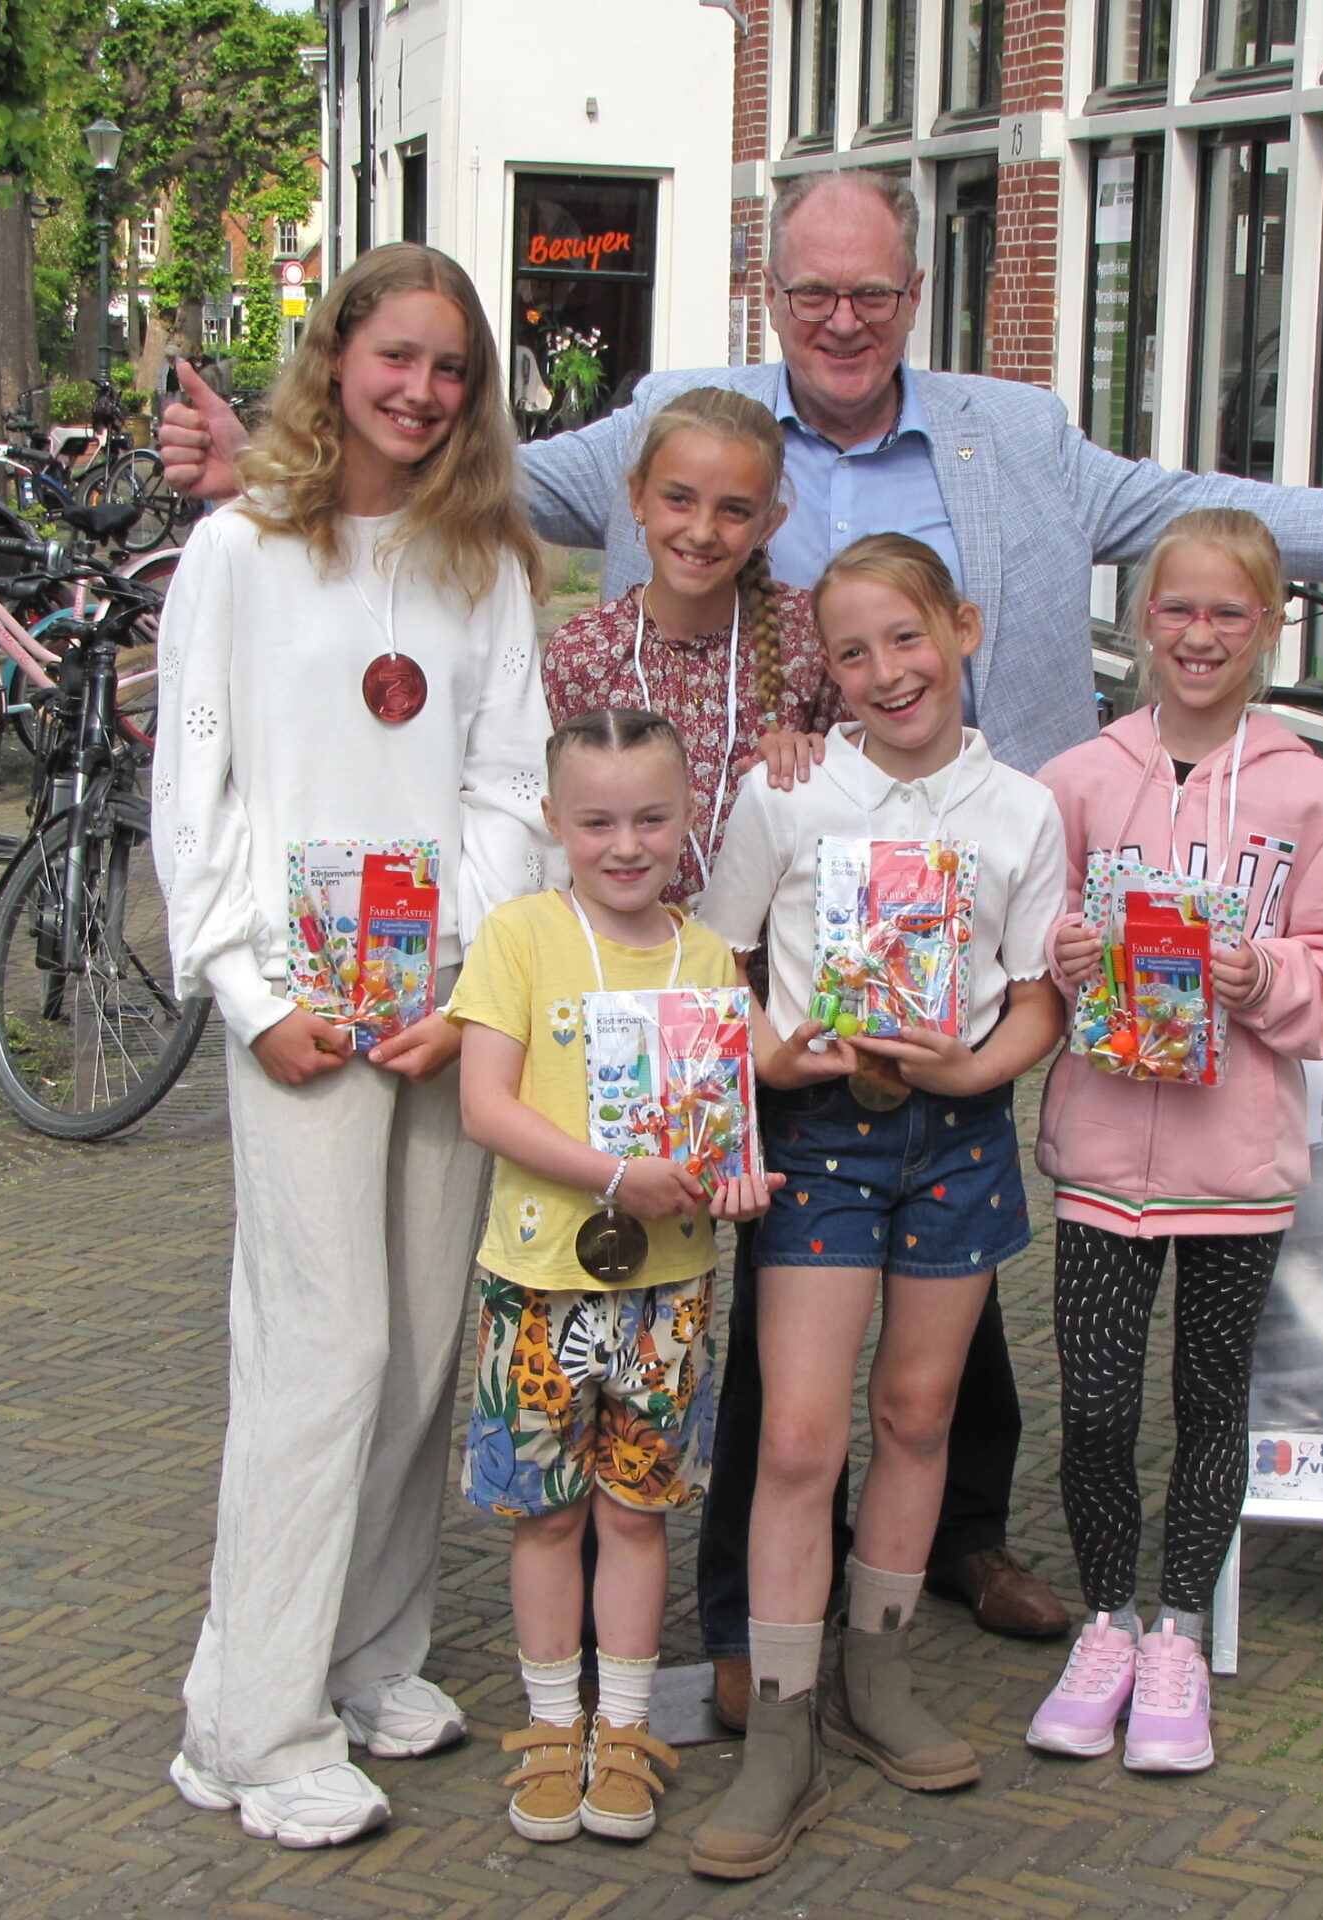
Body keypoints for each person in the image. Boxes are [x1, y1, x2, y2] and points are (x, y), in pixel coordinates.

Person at [159, 165, 1323, 1657]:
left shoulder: (1018, 432)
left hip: (982, 904)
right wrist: (263, 464)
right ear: (772, 300)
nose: (844, 319)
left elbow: (1197, 510)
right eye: (813, 294)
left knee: (954, 1282)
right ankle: (744, 1618)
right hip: (731, 956)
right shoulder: (688, 419)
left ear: (913, 299)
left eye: (872, 293)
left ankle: (960, 1545)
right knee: (764, 1267)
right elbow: (492, 467)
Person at [150, 242, 552, 1849]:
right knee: (322, 1355)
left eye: (451, 367)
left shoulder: (485, 562)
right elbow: (201, 798)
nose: (422, 391)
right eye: (396, 357)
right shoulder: (240, 553)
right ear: (336, 359)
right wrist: (254, 996)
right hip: (301, 1014)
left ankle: (372, 1649)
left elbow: (509, 784)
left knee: (416, 1344)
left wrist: (462, 979)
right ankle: (248, 1724)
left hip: (435, 1014)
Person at [686, 535, 1069, 1880]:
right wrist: (769, 1052)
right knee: (796, 1436)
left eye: (906, 638)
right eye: (852, 653)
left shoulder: (1022, 811)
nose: (886, 671)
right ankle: (780, 1726)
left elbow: (1039, 998)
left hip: (957, 1138)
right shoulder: (790, 798)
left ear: (960, 628)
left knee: (916, 1415)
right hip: (819, 1138)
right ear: (824, 675)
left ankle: (879, 1676)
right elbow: (714, 959)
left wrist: (977, 1069)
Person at [1027, 509, 1323, 1771]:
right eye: (1177, 608)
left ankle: (1179, 1633)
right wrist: (1062, 958)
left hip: (1238, 1164)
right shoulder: (1079, 776)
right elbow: (1029, 950)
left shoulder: (1307, 793)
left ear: (1270, 627)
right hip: (1104, 1160)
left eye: (1229, 612)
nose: (1200, 634)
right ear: (1140, 618)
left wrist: (1260, 970)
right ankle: (1106, 1621)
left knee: (1211, 1400)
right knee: (1101, 1410)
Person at [448, 707, 782, 1847]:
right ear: (554, 822)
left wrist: (736, 1179)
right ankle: (552, 1729)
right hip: (538, 1283)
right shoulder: (518, 937)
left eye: (651, 818)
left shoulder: (706, 959)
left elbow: (737, 1113)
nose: (625, 845)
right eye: (596, 822)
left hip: (669, 1292)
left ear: (693, 820)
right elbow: (482, 1104)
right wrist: (613, 1176)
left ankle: (626, 1727)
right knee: (544, 1517)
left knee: (637, 1514)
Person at [539, 386, 839, 907]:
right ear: (637, 497)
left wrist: (825, 766)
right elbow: (566, 824)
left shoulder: (812, 636)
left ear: (770, 522)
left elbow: (869, 797)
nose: (701, 531)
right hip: (629, 963)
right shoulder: (582, 652)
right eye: (679, 499)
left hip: (782, 967)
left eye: (734, 511)